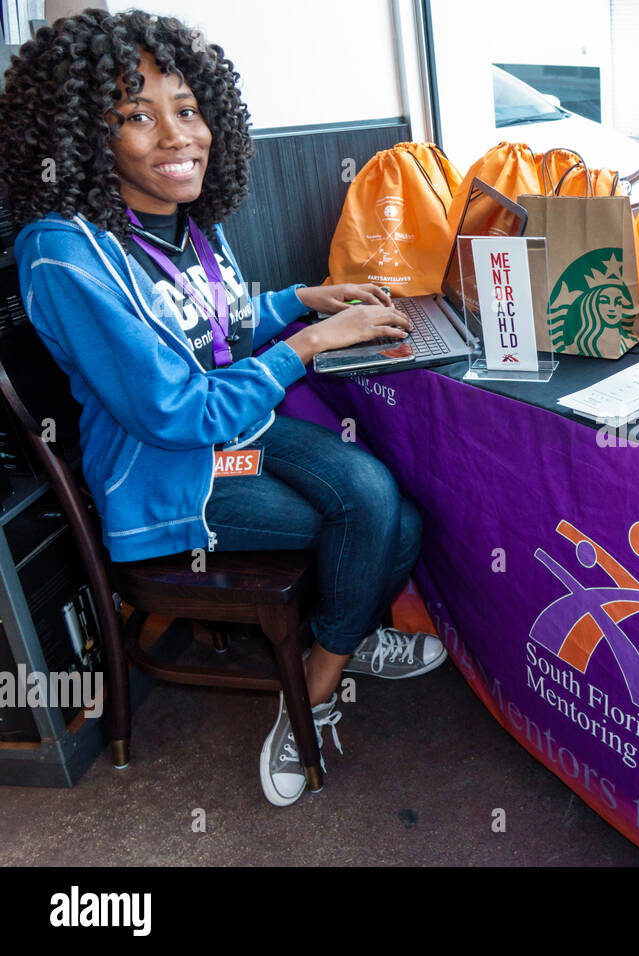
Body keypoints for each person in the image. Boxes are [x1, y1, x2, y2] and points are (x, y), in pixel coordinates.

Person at [0, 8, 445, 807]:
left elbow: (225, 320)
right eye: (136, 115)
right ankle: (313, 686)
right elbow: (176, 414)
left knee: (396, 512)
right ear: (79, 135)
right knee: (373, 510)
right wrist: (310, 344)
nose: (177, 136)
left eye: (187, 108)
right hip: (167, 473)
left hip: (238, 430)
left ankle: (339, 640)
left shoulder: (184, 221)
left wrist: (304, 299)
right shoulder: (63, 252)